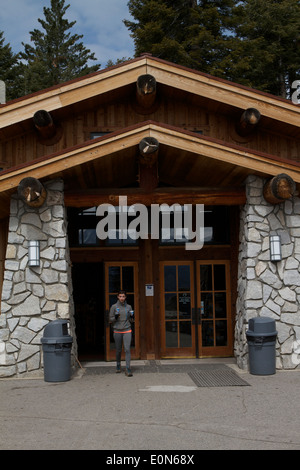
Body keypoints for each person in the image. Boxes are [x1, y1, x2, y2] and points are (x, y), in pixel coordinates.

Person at [109, 290, 134, 376]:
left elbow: (131, 320)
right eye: (120, 296)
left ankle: (128, 368)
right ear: (118, 297)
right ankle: (118, 365)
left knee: (127, 349)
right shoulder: (114, 307)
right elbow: (110, 319)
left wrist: (131, 317)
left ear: (125, 297)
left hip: (127, 329)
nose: (122, 298)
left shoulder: (129, 307)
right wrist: (115, 317)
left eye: (123, 296)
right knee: (118, 350)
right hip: (117, 330)